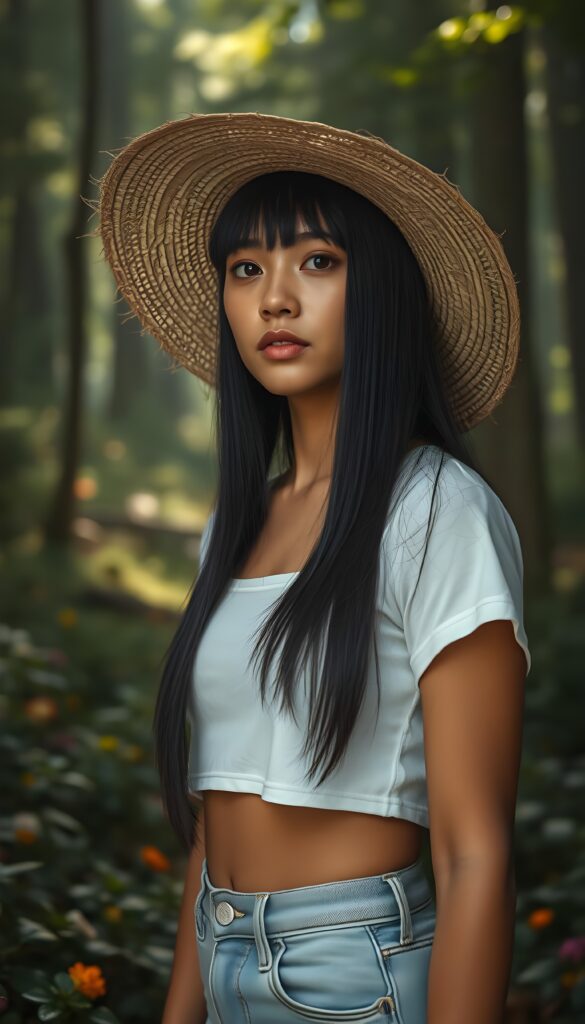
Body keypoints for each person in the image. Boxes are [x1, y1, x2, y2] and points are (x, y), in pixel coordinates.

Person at [95, 112, 531, 1024]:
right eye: (245, 269)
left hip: (355, 976)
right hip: (223, 952)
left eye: (318, 262)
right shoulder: (235, 524)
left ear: (383, 293)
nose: (274, 300)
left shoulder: (435, 512)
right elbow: (217, 818)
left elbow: (474, 854)